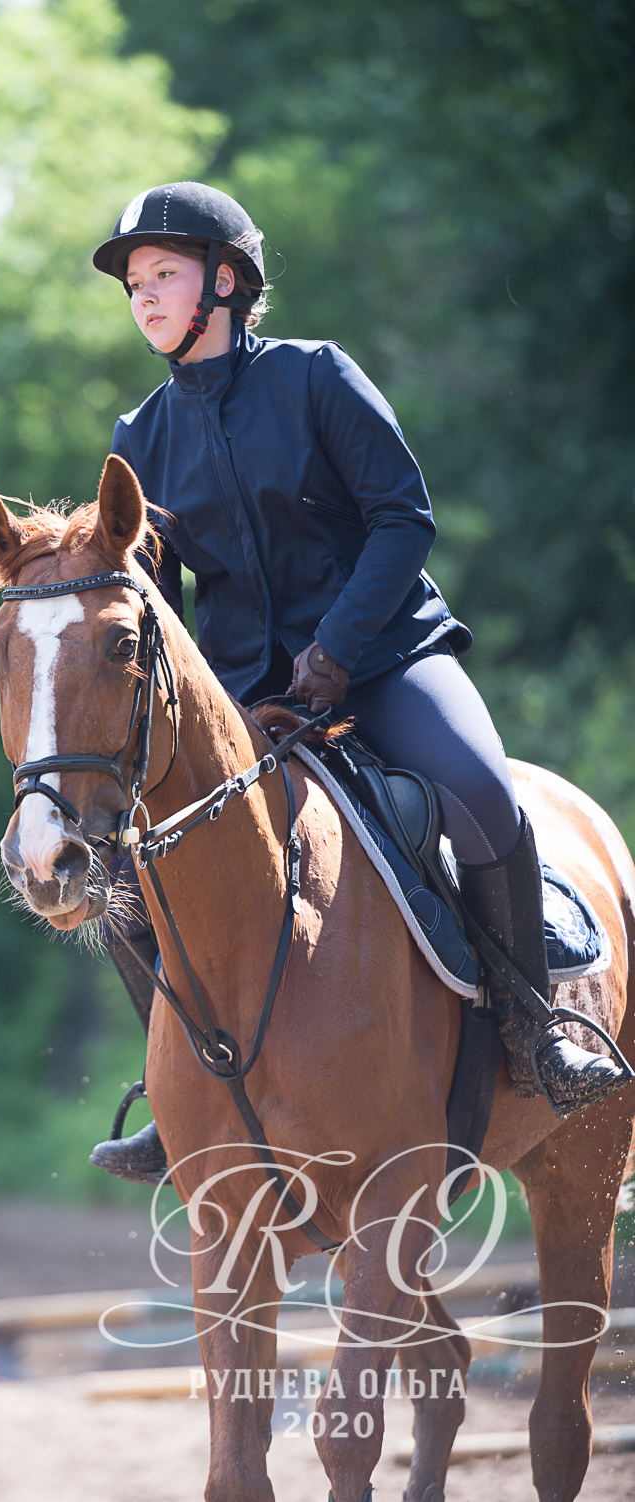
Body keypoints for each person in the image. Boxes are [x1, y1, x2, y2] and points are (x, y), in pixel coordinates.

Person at [86, 181, 626, 1184]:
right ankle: (178, 1093)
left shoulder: (315, 377)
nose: (144, 297)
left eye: (162, 274)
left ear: (227, 281)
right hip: (249, 705)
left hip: (383, 661)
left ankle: (533, 1029)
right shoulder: (141, 435)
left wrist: (333, 653)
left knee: (484, 797)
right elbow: (152, 610)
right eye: (133, 284)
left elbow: (402, 519)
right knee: (125, 880)